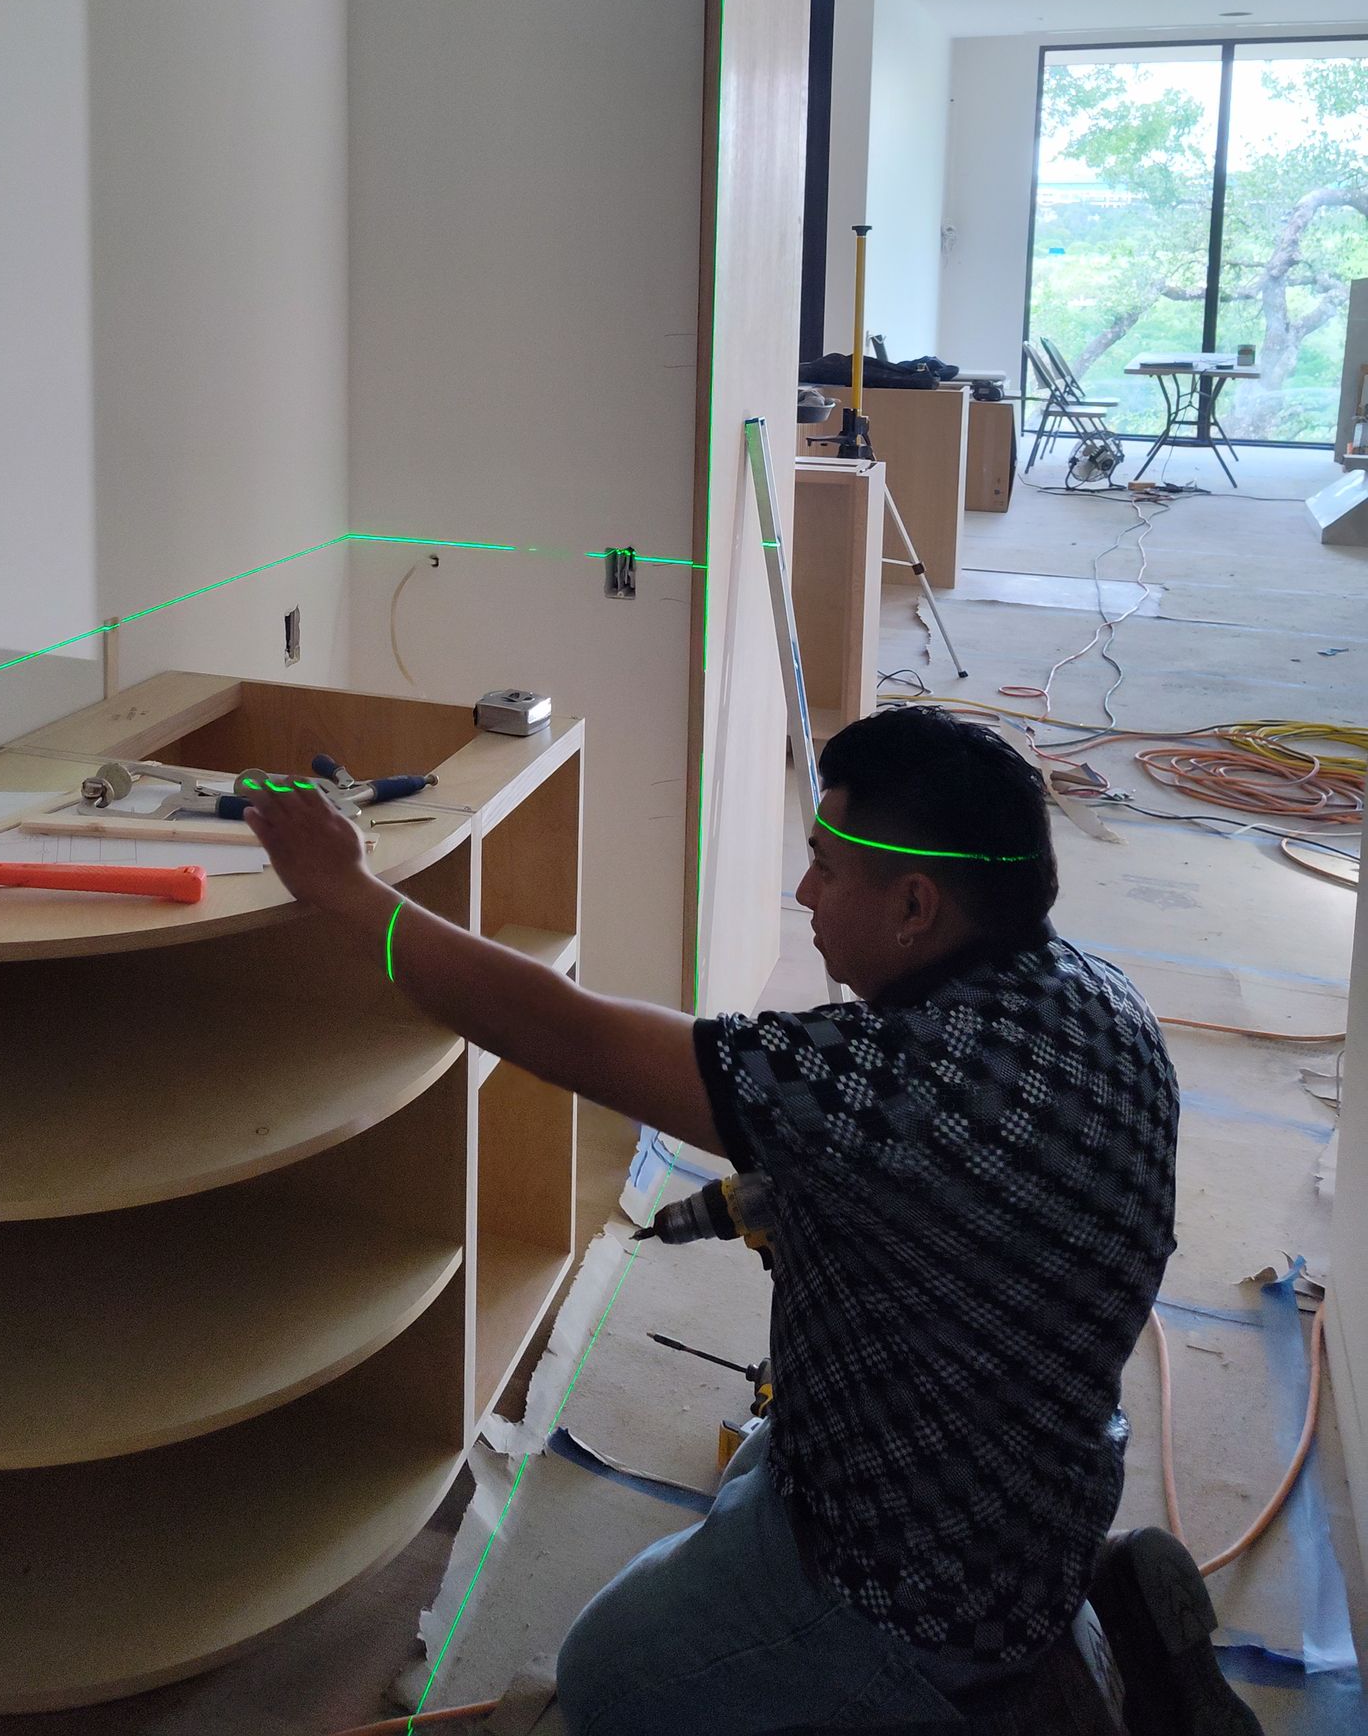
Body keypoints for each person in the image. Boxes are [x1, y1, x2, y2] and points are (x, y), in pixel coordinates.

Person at [244, 707, 1260, 1735]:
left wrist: (349, 893)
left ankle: (1007, 1698)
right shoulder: (1098, 997)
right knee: (759, 1471)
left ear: (915, 903)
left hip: (919, 1591)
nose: (803, 890)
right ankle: (1075, 1627)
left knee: (605, 1676)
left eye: (825, 865)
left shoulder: (888, 1082)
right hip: (1035, 1482)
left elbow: (570, 1034)